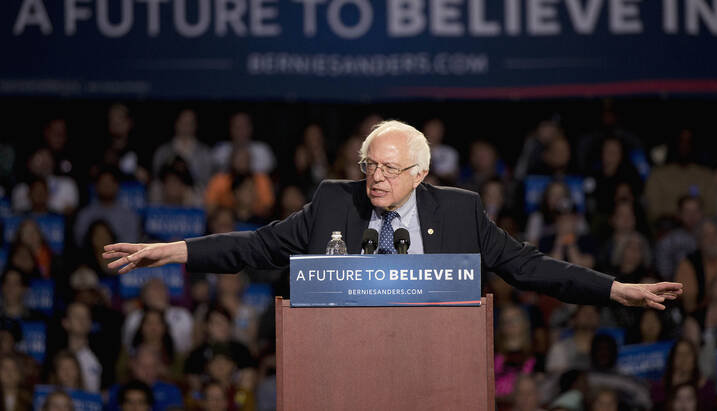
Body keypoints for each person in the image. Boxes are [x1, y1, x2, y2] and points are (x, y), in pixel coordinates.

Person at [105, 120, 682, 311]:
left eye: (388, 168)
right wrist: (170, 251)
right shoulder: (335, 201)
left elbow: (527, 266)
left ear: (420, 175)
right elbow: (254, 248)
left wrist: (615, 290)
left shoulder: (460, 212)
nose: (375, 177)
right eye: (369, 165)